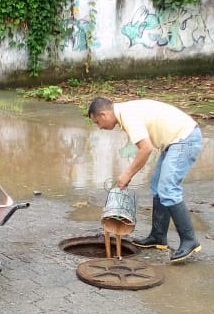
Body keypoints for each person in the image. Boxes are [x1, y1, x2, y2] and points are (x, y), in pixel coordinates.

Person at [86, 97, 203, 263]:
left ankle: (189, 240)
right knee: (157, 185)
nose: (99, 126)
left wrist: (127, 174)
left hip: (185, 139)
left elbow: (146, 148)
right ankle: (158, 237)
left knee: (168, 188)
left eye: (97, 122)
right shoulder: (124, 112)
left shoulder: (128, 116)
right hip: (175, 142)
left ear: (104, 114)